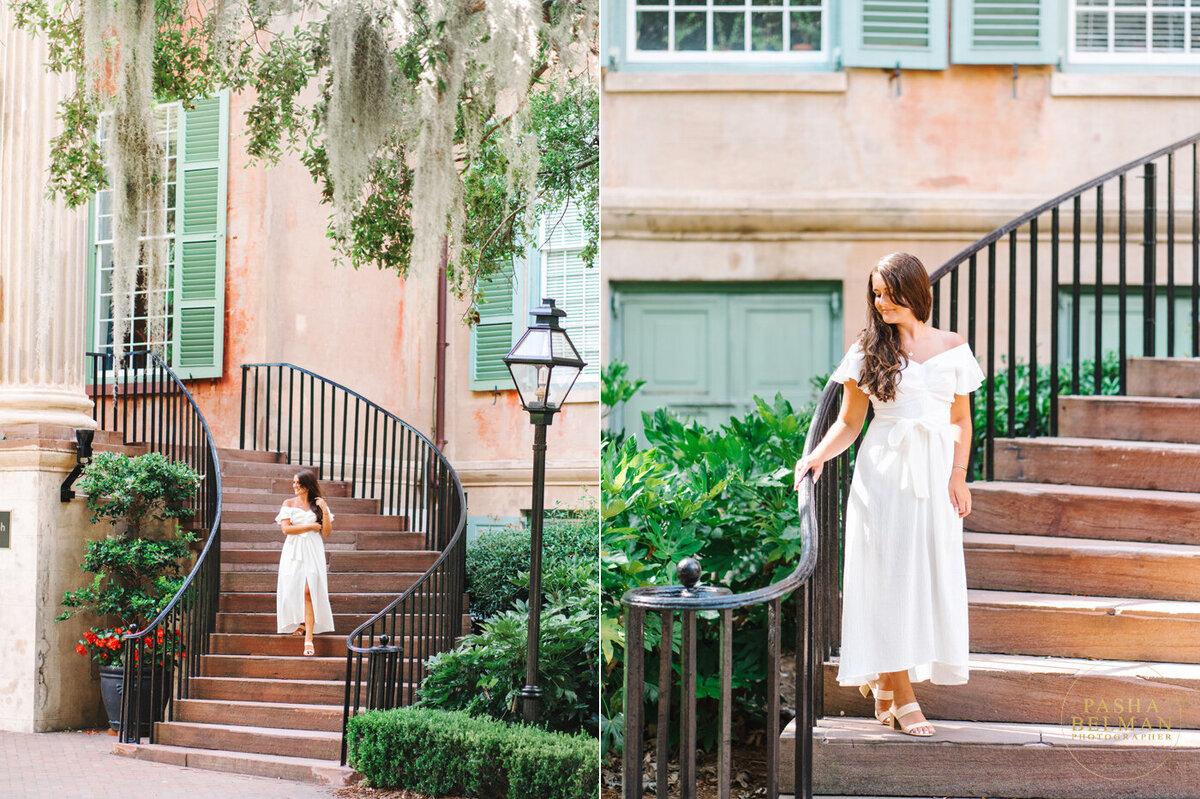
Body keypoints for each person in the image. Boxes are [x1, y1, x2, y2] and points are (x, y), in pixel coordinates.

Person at [794, 252, 984, 737]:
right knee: (890, 578)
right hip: (883, 473)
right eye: (875, 293)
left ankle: (885, 678)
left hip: (936, 473)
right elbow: (850, 423)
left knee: (924, 578)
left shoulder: (953, 347)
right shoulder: (868, 349)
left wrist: (958, 475)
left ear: (916, 291)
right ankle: (902, 695)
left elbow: (961, 420)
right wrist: (816, 457)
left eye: (889, 292)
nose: (880, 302)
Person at [275, 470, 336, 656]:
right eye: (293, 483)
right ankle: (302, 622)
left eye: (298, 483)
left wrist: (324, 510)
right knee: (294, 588)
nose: (294, 486)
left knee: (309, 591)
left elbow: (326, 532)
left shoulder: (317, 504)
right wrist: (310, 526)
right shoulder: (288, 503)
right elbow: (286, 529)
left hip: (313, 550)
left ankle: (308, 638)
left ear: (307, 486)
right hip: (293, 551)